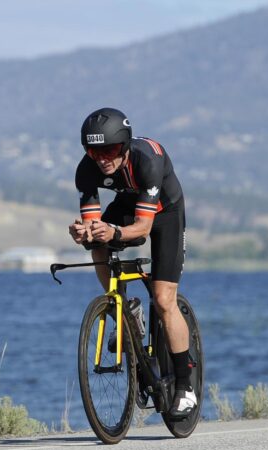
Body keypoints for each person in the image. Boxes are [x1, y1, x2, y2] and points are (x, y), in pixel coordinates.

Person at [67, 107, 195, 417]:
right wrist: (85, 232)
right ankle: (121, 310)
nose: (102, 158)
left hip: (164, 213)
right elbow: (94, 222)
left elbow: (143, 229)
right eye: (94, 151)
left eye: (109, 150)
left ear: (124, 147)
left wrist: (114, 231)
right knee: (97, 241)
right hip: (127, 204)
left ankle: (185, 384)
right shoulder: (86, 170)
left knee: (165, 300)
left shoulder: (147, 161)